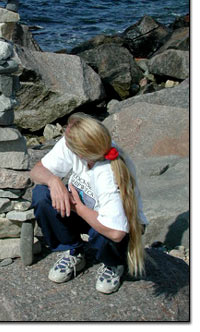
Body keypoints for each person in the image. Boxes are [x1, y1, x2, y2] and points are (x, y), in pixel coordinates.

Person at [30, 112, 148, 294]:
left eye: (67, 138)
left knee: (104, 236)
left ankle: (114, 263)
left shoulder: (108, 174)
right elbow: (37, 172)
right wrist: (54, 181)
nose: (63, 137)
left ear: (82, 153)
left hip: (118, 228)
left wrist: (76, 206)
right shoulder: (76, 141)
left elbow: (116, 232)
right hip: (88, 213)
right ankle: (73, 250)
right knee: (42, 194)